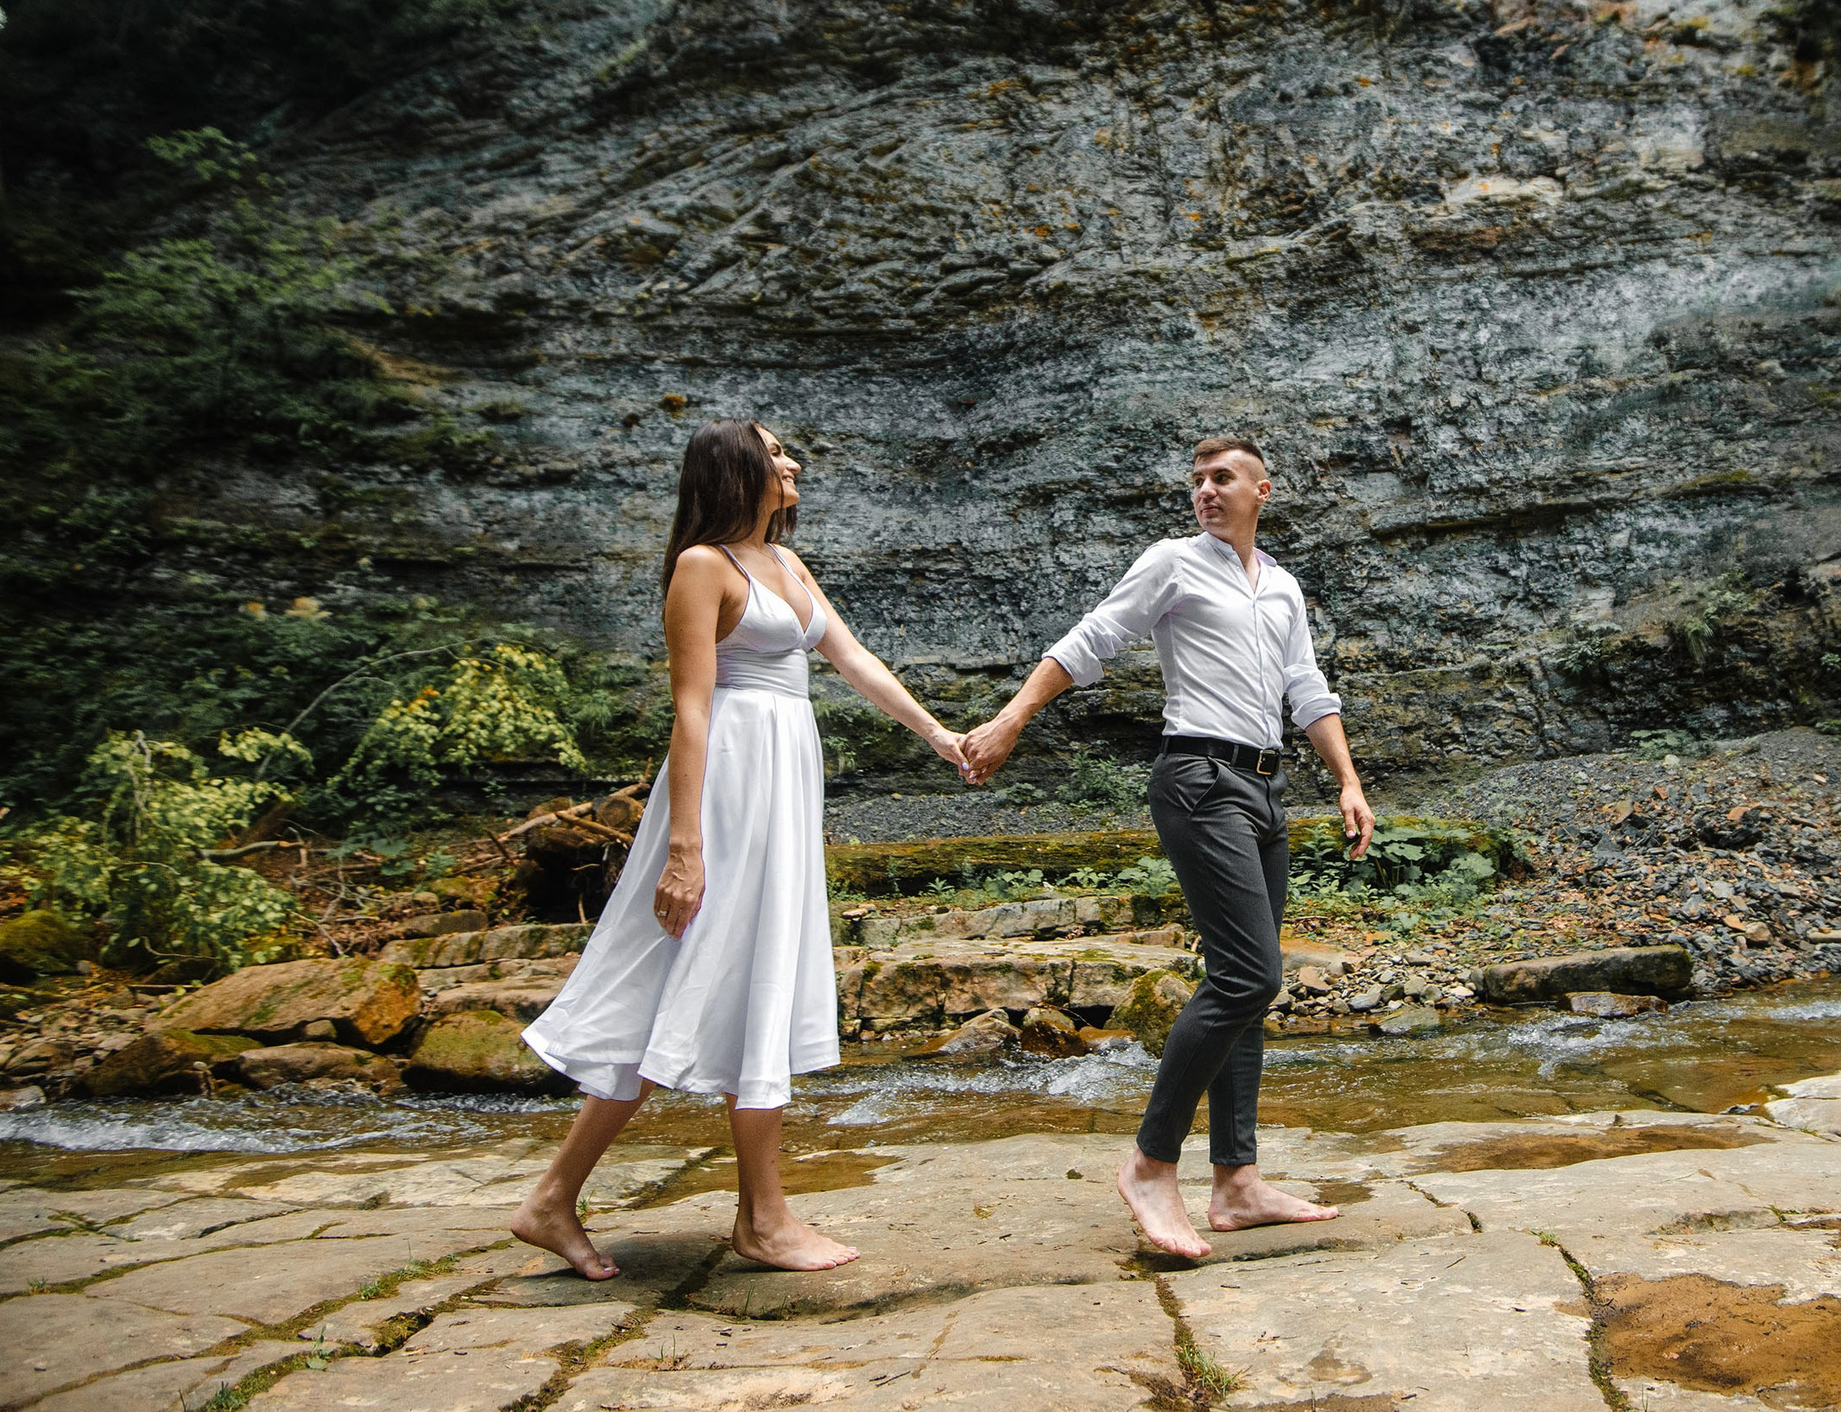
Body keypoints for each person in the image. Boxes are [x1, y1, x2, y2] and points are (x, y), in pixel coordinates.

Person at [512, 419, 969, 1278]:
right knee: (704, 975)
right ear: (736, 469)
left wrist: (937, 734)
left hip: (780, 790)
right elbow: (691, 709)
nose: (791, 462)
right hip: (722, 796)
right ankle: (761, 1219)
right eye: (775, 452)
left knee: (698, 986)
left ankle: (553, 1200)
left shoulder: (788, 565)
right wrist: (684, 848)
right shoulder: (701, 568)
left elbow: (852, 658)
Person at [959, 436, 1376, 1259]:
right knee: (1250, 974)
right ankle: (1152, 1165)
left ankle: (1238, 1181)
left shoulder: (1283, 587)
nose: (1206, 491)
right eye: (1197, 481)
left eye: (1222, 478)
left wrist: (1348, 780)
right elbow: (1094, 637)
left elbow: (1305, 686)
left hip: (1264, 787)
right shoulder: (1172, 562)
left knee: (1247, 985)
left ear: (1263, 488)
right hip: (1198, 778)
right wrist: (1011, 718)